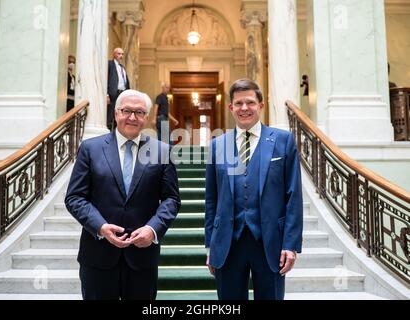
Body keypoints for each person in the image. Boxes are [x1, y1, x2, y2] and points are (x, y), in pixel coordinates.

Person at [65, 89, 181, 300]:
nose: (132, 117)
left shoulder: (161, 151)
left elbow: (171, 199)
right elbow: (74, 198)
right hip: (98, 255)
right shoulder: (91, 148)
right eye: (126, 110)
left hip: (142, 258)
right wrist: (100, 226)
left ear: (146, 117)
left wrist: (152, 229)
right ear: (116, 113)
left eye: (139, 112)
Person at [205, 78, 303, 300]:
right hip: (228, 244)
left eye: (250, 102)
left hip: (271, 243)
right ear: (231, 108)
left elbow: (293, 196)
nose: (244, 108)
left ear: (261, 105)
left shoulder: (283, 141)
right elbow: (212, 200)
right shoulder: (217, 145)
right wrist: (212, 245)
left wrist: (291, 244)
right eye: (238, 103)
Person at [107, 48, 130, 130]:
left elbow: (126, 83)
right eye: (119, 54)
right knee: (110, 116)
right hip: (113, 94)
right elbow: (105, 79)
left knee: (120, 115)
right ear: (114, 54)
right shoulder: (109, 64)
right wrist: (106, 95)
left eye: (122, 54)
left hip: (122, 94)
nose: (121, 56)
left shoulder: (122, 68)